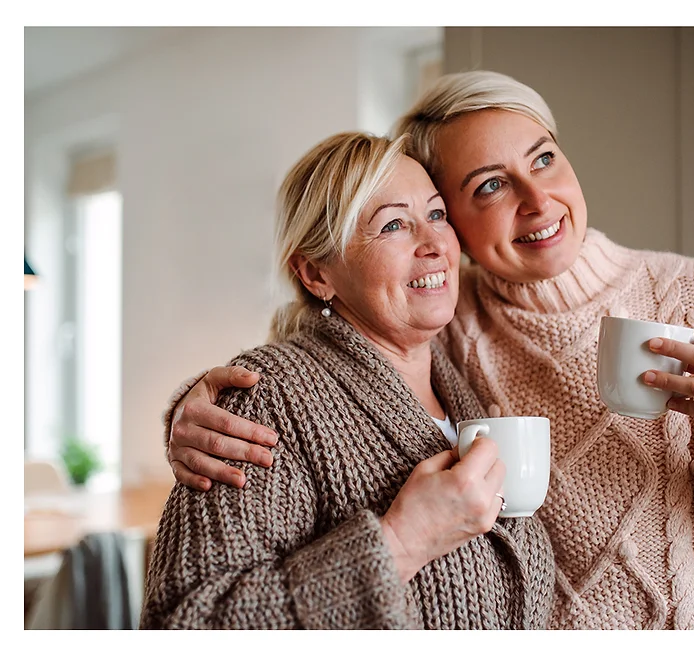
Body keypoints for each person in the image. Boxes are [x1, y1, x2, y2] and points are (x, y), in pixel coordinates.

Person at [163, 71, 694, 630]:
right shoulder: (450, 324)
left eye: (543, 158)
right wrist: (196, 411)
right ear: (462, 219)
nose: (538, 200)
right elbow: (325, 363)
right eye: (488, 185)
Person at [139, 131, 555, 630]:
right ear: (316, 273)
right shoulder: (268, 401)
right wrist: (400, 543)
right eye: (395, 225)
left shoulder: (463, 381)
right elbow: (184, 624)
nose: (434, 244)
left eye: (437, 214)